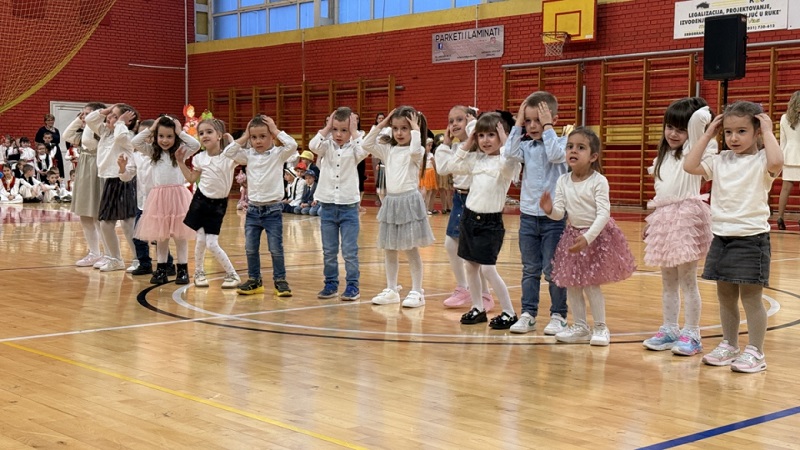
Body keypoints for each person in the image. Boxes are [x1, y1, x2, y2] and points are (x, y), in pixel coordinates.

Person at [684, 101, 782, 373]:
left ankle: (756, 351)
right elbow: (690, 165)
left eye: (741, 131)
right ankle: (729, 344)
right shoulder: (720, 160)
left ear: (756, 132)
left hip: (751, 239)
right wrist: (708, 134)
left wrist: (768, 131)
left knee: (751, 298)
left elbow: (777, 162)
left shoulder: (762, 160)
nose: (734, 138)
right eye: (728, 132)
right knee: (725, 297)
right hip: (722, 237)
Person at [540, 127, 636, 346]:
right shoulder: (563, 181)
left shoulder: (598, 181)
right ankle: (580, 326)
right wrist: (550, 210)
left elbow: (604, 214)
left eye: (580, 147)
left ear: (593, 157)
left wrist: (588, 237)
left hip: (596, 237)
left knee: (591, 284)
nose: (573, 151)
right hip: (573, 237)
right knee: (573, 284)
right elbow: (560, 213)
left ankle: (600, 327)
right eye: (570, 147)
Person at [642, 98, 715, 355]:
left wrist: (698, 105)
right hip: (664, 219)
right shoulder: (662, 157)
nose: (673, 134)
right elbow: (661, 192)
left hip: (686, 218)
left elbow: (700, 118)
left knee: (687, 280)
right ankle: (670, 328)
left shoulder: (695, 150)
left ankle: (692, 333)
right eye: (670, 127)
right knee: (668, 281)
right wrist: (654, 222)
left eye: (681, 129)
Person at [438, 113, 522, 328]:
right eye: (481, 135)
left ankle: (509, 312)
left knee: (487, 269)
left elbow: (508, 163)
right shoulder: (476, 159)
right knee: (470, 266)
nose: (485, 140)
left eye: (491, 135)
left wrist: (506, 141)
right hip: (469, 219)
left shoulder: (508, 162)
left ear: (501, 135)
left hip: (489, 223)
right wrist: (468, 142)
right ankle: (477, 307)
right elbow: (449, 166)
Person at [505, 92, 570, 335]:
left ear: (553, 120)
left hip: (554, 219)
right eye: (528, 121)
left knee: (552, 271)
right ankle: (528, 313)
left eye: (538, 121)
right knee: (530, 269)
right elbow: (509, 153)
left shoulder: (562, 143)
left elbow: (555, 155)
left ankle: (558, 315)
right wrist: (517, 123)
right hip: (528, 217)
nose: (533, 126)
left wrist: (548, 127)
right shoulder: (526, 146)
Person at [363, 106, 435, 308]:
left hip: (409, 202)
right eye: (395, 128)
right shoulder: (388, 149)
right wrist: (382, 124)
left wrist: (416, 129)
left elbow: (415, 150)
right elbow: (366, 143)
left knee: (411, 249)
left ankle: (417, 291)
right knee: (389, 249)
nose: (399, 133)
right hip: (391, 202)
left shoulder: (418, 150)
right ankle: (392, 289)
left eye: (405, 128)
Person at [223, 115, 298, 296]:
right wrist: (244, 136)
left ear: (271, 136)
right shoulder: (248, 155)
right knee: (250, 248)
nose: (258, 141)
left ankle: (280, 280)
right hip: (253, 211)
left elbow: (292, 145)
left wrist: (275, 129)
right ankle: (254, 280)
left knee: (275, 249)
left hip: (273, 210)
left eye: (263, 136)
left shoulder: (278, 154)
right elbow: (228, 153)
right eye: (254, 137)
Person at [435, 105, 495, 312]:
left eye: (459, 119)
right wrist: (446, 142)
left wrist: (473, 125)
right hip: (459, 199)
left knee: (475, 251)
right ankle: (463, 287)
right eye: (451, 121)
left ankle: (485, 294)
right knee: (451, 245)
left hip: (477, 199)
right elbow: (442, 168)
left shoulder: (480, 147)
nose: (454, 124)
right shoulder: (454, 149)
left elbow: (478, 134)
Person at [308, 107, 369, 301]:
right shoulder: (326, 146)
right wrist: (327, 128)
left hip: (348, 207)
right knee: (329, 251)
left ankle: (352, 286)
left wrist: (354, 131)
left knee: (349, 251)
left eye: (344, 130)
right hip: (327, 207)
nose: (339, 135)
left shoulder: (355, 147)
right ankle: (331, 284)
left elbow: (364, 150)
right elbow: (312, 145)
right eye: (335, 130)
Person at [130, 116, 200, 285]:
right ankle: (161, 269)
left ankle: (182, 269)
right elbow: (135, 142)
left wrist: (180, 132)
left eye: (169, 136)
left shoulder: (180, 152)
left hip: (178, 197)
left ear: (175, 137)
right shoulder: (153, 152)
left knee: (180, 236)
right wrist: (152, 128)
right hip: (159, 198)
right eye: (161, 136)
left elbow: (196, 145)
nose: (165, 140)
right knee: (161, 237)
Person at [181, 118, 246, 289]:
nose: (204, 135)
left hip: (218, 205)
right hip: (200, 201)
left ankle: (232, 274)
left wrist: (232, 143)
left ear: (219, 135)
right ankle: (199, 273)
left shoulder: (228, 156)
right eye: (201, 133)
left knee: (210, 242)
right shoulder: (199, 158)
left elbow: (244, 159)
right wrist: (180, 162)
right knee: (201, 239)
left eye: (209, 132)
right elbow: (191, 178)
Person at [85, 103, 139, 272]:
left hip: (125, 179)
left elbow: (121, 137)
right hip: (110, 180)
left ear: (126, 121)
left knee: (128, 224)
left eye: (115, 116)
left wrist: (121, 122)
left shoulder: (128, 135)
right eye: (110, 115)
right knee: (105, 223)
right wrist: (107, 111)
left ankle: (139, 258)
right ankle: (115, 259)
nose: (110, 117)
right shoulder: (105, 132)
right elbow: (90, 119)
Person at [64, 102, 108, 268]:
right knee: (85, 214)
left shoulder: (101, 130)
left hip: (97, 168)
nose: (84, 116)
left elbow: (90, 141)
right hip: (84, 168)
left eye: (88, 113)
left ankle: (108, 254)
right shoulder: (85, 131)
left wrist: (91, 120)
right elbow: (66, 135)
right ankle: (94, 253)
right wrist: (78, 120)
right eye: (82, 113)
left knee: (98, 215)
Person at [776, 90, 800, 230]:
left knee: (785, 189)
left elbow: (783, 141)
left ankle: (780, 217)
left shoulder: (784, 118)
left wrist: (781, 158)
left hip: (789, 156)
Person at [419, 137, 438, 214]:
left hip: (430, 173)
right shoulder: (421, 154)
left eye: (431, 146)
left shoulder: (431, 155)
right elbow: (420, 165)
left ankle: (426, 209)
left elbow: (435, 166)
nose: (430, 147)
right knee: (423, 192)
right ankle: (421, 210)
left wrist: (433, 162)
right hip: (424, 173)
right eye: (428, 145)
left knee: (429, 192)